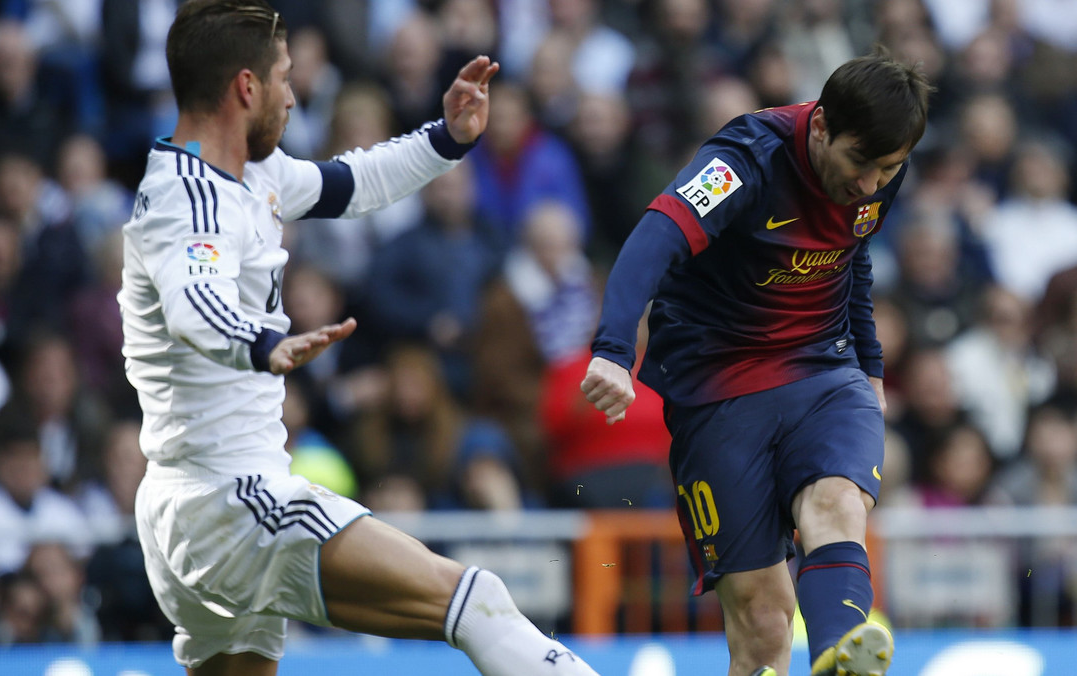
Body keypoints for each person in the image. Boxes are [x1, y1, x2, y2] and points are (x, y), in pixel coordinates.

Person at [118, 3, 600, 676]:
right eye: (284, 79)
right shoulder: (189, 198)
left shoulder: (249, 175)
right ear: (247, 87)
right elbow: (195, 304)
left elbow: (351, 181)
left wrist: (446, 138)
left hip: (193, 509)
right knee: (476, 601)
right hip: (231, 499)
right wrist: (259, 344)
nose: (293, 96)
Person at [580, 49, 932, 676]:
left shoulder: (877, 171)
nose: (871, 185)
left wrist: (871, 365)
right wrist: (611, 350)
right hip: (718, 388)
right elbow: (654, 237)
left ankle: (838, 661)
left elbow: (852, 250)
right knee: (763, 624)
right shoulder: (743, 160)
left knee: (837, 504)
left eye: (888, 169)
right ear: (820, 125)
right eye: (860, 162)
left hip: (822, 370)